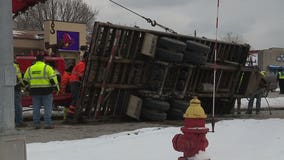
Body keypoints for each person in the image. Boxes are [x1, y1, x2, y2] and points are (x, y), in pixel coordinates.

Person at [23, 54, 60, 129]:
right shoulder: (47, 68)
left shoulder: (30, 69)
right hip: (46, 91)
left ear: (36, 60)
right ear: (44, 60)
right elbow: (53, 79)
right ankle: (47, 124)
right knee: (47, 108)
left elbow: (25, 81)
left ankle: (36, 124)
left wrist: (25, 88)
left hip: (34, 92)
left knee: (36, 108)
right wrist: (57, 88)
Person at [66, 52, 88, 121]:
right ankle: (70, 115)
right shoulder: (82, 64)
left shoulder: (81, 64)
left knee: (78, 99)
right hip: (75, 82)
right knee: (76, 99)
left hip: (75, 82)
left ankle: (76, 115)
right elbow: (81, 75)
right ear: (86, 58)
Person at [14, 59, 27, 127]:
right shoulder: (15, 66)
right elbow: (19, 78)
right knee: (17, 105)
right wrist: (24, 86)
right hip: (15, 88)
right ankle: (19, 122)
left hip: (4, 89)